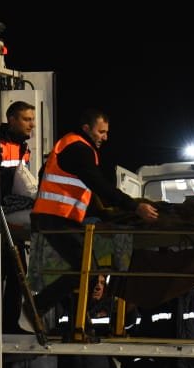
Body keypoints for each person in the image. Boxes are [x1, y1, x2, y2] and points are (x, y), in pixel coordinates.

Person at [21, 108, 159, 331]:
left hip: (59, 218)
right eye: (101, 132)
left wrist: (107, 213)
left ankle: (75, 325)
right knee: (87, 271)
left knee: (86, 272)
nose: (105, 137)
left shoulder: (73, 146)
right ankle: (47, 311)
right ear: (87, 129)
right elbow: (99, 185)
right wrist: (134, 206)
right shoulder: (78, 148)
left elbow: (87, 191)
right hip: (55, 218)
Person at [0, 100, 36, 332]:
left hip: (10, 217)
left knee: (17, 273)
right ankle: (2, 323)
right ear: (11, 119)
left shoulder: (23, 147)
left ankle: (10, 323)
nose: (31, 125)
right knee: (4, 273)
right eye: (26, 119)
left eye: (32, 120)